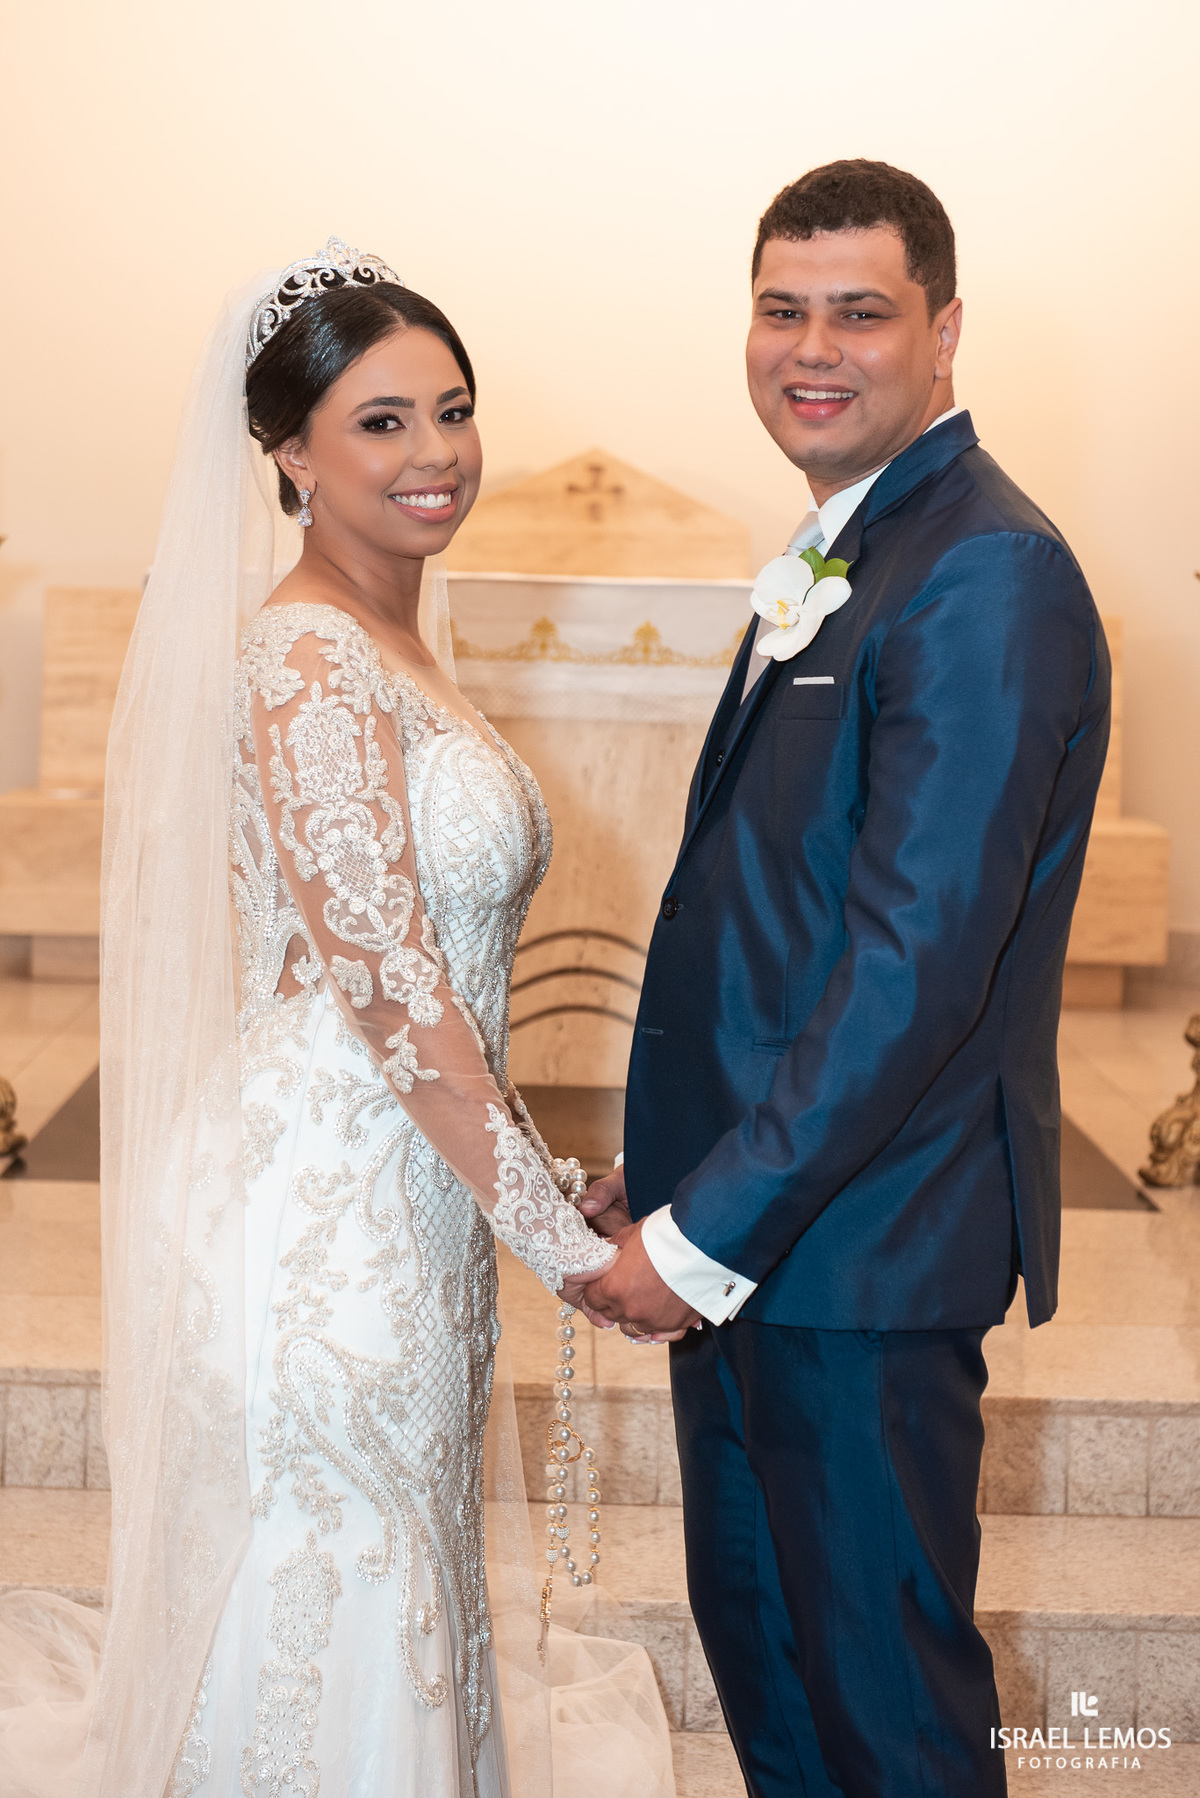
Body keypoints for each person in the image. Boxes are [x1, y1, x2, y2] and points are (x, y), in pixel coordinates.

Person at [0, 241, 674, 1798]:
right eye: (380, 422)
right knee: (342, 1578)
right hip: (317, 1229)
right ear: (289, 454)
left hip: (403, 1198)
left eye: (453, 409)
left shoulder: (393, 639)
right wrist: (565, 1246)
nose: (435, 454)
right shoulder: (304, 653)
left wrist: (516, 1188)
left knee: (396, 1569)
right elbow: (392, 990)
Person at [581, 161, 1111, 1796]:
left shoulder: (983, 570)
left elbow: (910, 963)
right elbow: (781, 921)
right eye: (782, 308)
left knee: (884, 1715)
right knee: (781, 1680)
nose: (813, 347)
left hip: (860, 1259)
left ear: (944, 334)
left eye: (861, 312)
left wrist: (708, 1226)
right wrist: (673, 1183)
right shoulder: (855, 543)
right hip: (770, 1237)